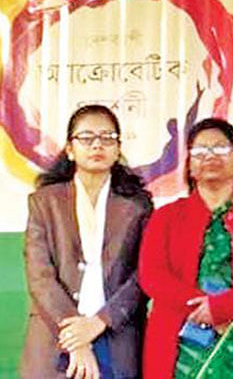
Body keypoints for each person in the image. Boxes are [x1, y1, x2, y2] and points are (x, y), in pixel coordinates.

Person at [139, 118, 233, 379]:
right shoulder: (166, 217)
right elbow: (153, 276)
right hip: (178, 348)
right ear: (189, 166)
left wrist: (220, 309)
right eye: (199, 151)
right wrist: (203, 311)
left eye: (221, 149)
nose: (210, 156)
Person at [22, 105, 153, 379]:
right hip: (56, 338)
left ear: (118, 149)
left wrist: (100, 322)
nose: (97, 145)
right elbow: (40, 277)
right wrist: (77, 338)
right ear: (70, 149)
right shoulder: (44, 202)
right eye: (87, 137)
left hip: (117, 336)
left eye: (107, 137)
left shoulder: (139, 205)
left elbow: (145, 275)